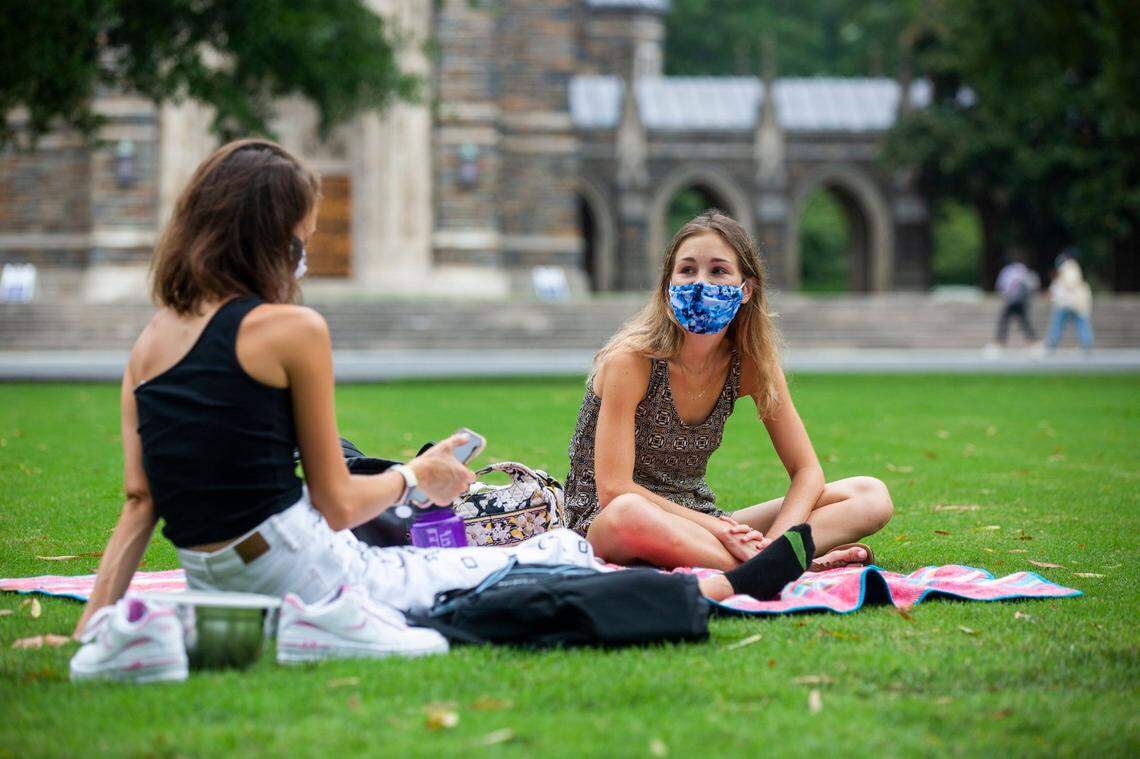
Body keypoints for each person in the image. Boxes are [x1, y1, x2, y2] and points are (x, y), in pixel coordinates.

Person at [74, 142, 814, 650]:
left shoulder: (149, 342)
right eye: (301, 234)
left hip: (217, 576)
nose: (304, 252)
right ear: (268, 236)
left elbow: (141, 504)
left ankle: (717, 575)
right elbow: (335, 505)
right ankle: (713, 590)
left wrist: (92, 628)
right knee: (552, 561)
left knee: (516, 556)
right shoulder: (292, 329)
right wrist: (414, 477)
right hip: (310, 569)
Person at [564, 209, 893, 572]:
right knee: (629, 514)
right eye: (687, 270)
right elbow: (614, 490)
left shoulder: (751, 364)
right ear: (668, 285)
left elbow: (807, 471)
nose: (700, 282)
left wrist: (778, 541)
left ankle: (771, 563)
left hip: (700, 519)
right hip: (609, 520)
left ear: (746, 289)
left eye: (718, 270)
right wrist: (720, 529)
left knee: (869, 495)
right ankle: (770, 570)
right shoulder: (631, 360)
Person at [1045, 249, 1094, 353]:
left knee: (1059, 322)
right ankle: (1086, 343)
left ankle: (1052, 344)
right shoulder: (1072, 266)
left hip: (1068, 301)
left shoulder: (1069, 266)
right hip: (1073, 301)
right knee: (1078, 322)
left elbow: (1070, 283)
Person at [993, 252, 1041, 348]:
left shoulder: (1006, 271)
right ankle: (1033, 340)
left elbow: (1001, 286)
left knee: (1005, 320)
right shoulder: (1022, 268)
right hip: (1022, 300)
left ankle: (1000, 341)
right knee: (1023, 321)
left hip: (1011, 300)